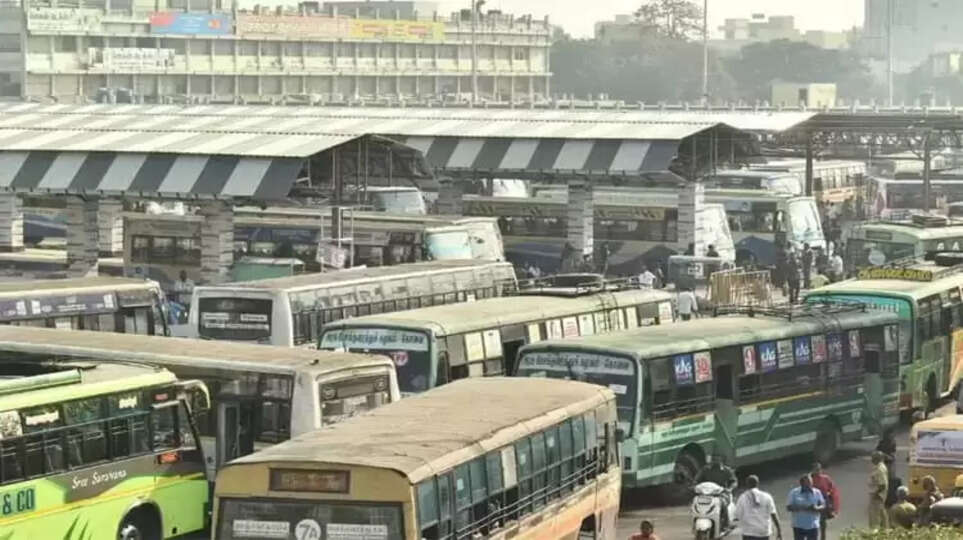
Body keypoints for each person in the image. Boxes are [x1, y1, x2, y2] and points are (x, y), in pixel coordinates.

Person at [735, 474, 783, 540]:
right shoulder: (767, 496)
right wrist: (779, 530)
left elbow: (738, 515)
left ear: (747, 484)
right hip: (763, 532)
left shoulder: (742, 497)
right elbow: (773, 514)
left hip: (749, 532)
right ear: (757, 483)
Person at [696, 454, 737, 529]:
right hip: (707, 494)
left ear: (721, 459)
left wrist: (729, 489)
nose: (715, 461)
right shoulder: (705, 469)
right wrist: (694, 486)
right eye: (714, 459)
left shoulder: (726, 470)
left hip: (721, 494)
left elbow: (734, 481)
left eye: (717, 458)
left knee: (723, 503)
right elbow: (696, 480)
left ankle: (726, 523)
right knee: (696, 502)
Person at [786, 474, 825, 540]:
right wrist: (801, 507)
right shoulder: (794, 492)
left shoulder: (817, 492)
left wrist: (816, 508)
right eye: (807, 483)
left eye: (811, 482)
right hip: (798, 525)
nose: (810, 485)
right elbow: (788, 507)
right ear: (801, 483)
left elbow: (823, 505)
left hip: (813, 525)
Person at [810, 463, 839, 540]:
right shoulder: (809, 479)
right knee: (813, 525)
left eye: (819, 469)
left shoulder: (826, 478)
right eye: (816, 470)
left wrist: (832, 505)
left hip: (823, 504)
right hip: (813, 504)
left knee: (823, 524)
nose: (818, 471)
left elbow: (833, 490)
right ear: (813, 470)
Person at [868, 451, 889, 529]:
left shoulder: (880, 469)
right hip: (878, 496)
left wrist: (875, 495)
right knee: (881, 514)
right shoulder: (878, 467)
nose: (871, 460)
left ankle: (875, 533)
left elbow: (882, 484)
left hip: (877, 496)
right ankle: (885, 530)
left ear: (877, 459)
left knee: (875, 517)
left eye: (873, 458)